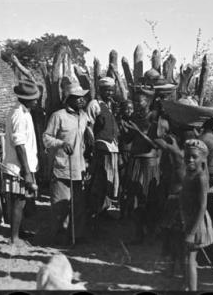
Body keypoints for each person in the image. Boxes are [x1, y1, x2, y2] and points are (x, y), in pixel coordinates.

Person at [43, 78, 90, 245]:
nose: (82, 100)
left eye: (83, 97)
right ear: (68, 99)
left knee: (77, 206)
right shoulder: (58, 116)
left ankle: (76, 237)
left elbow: (84, 141)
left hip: (79, 168)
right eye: (77, 97)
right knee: (59, 207)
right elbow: (46, 138)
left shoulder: (84, 117)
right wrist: (61, 144)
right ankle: (58, 238)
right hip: (62, 167)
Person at [2, 80, 40, 247]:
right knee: (19, 201)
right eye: (34, 99)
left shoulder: (25, 112)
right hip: (18, 167)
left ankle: (19, 232)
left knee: (23, 200)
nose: (37, 101)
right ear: (24, 99)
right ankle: (14, 237)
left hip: (25, 165)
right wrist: (26, 171)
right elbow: (19, 145)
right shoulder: (18, 114)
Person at [123, 92, 161, 244]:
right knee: (134, 199)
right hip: (135, 161)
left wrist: (137, 131)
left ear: (148, 101)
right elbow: (128, 139)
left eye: (141, 102)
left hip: (149, 163)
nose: (138, 105)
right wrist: (125, 130)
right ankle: (139, 234)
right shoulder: (134, 118)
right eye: (136, 102)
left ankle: (150, 232)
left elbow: (154, 144)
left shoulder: (154, 119)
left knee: (149, 198)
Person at [181, 139, 213, 291]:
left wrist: (191, 233)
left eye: (194, 156)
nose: (190, 159)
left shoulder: (201, 177)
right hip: (188, 218)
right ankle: (186, 286)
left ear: (202, 158)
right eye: (187, 156)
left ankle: (192, 289)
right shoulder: (189, 173)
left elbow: (202, 206)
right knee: (186, 257)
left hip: (197, 221)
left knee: (190, 259)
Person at [86, 77, 120, 221]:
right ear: (100, 90)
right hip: (102, 148)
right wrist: (92, 146)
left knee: (109, 181)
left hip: (112, 147)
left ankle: (104, 209)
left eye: (111, 90)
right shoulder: (94, 104)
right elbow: (88, 127)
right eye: (106, 90)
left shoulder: (110, 105)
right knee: (99, 180)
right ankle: (94, 212)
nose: (109, 93)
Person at [154, 133, 186, 278]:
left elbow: (159, 142)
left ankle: (177, 271)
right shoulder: (182, 157)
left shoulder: (179, 157)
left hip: (176, 202)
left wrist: (169, 143)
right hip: (178, 201)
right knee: (174, 240)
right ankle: (174, 270)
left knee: (175, 241)